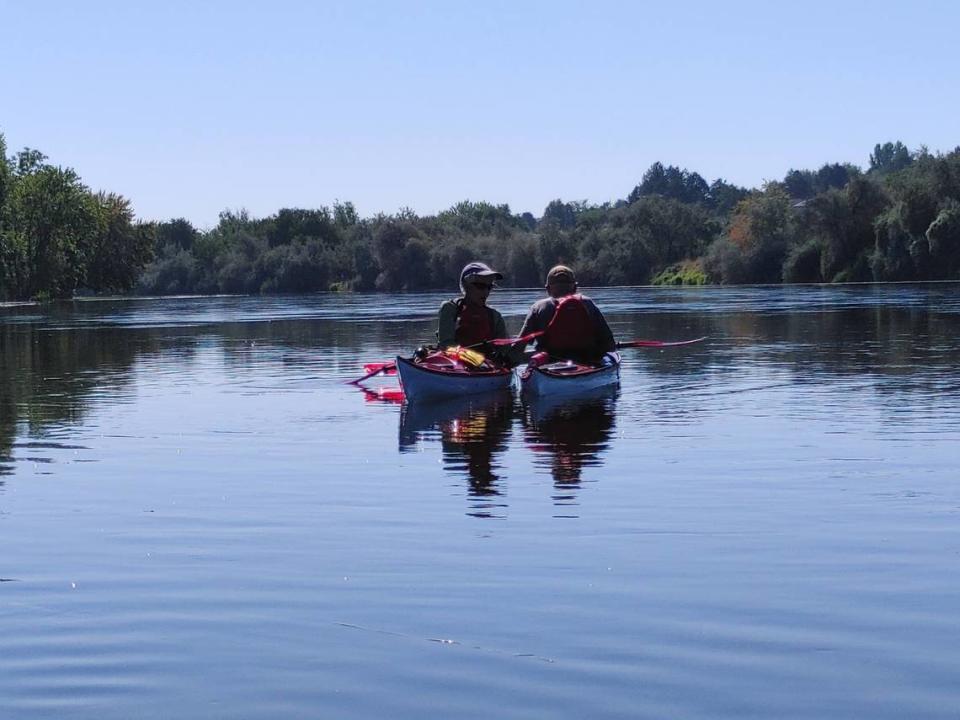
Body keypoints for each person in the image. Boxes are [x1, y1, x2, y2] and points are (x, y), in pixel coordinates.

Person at [517, 265, 616, 363]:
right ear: (575, 288)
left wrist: (509, 360)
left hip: (549, 363)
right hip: (588, 361)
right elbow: (609, 344)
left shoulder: (538, 307)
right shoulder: (588, 303)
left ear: (547, 289)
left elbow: (519, 346)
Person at [436, 262, 510, 350]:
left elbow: (505, 349)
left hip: (487, 362)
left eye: (489, 287)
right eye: (480, 286)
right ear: (466, 285)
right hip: (457, 360)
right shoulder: (450, 309)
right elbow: (446, 345)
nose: (486, 292)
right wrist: (475, 358)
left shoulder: (495, 316)